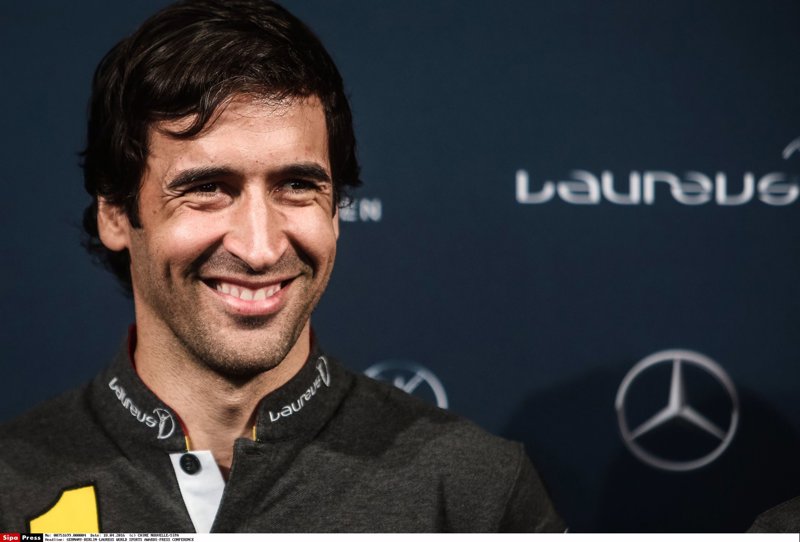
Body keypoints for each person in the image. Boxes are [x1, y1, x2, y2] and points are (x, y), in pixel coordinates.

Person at [0, 0, 564, 533]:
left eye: (296, 185)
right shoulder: (11, 490)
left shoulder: (474, 493)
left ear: (336, 210)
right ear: (115, 214)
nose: (260, 248)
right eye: (208, 189)